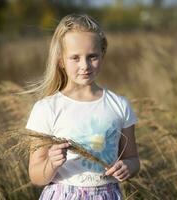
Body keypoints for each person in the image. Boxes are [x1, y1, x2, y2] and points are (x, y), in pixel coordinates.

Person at [25, 13, 140, 200]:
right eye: (75, 58)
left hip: (107, 194)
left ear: (102, 55)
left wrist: (128, 167)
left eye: (92, 56)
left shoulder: (119, 105)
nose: (85, 65)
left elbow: (133, 159)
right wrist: (52, 164)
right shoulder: (46, 109)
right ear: (61, 60)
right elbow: (36, 176)